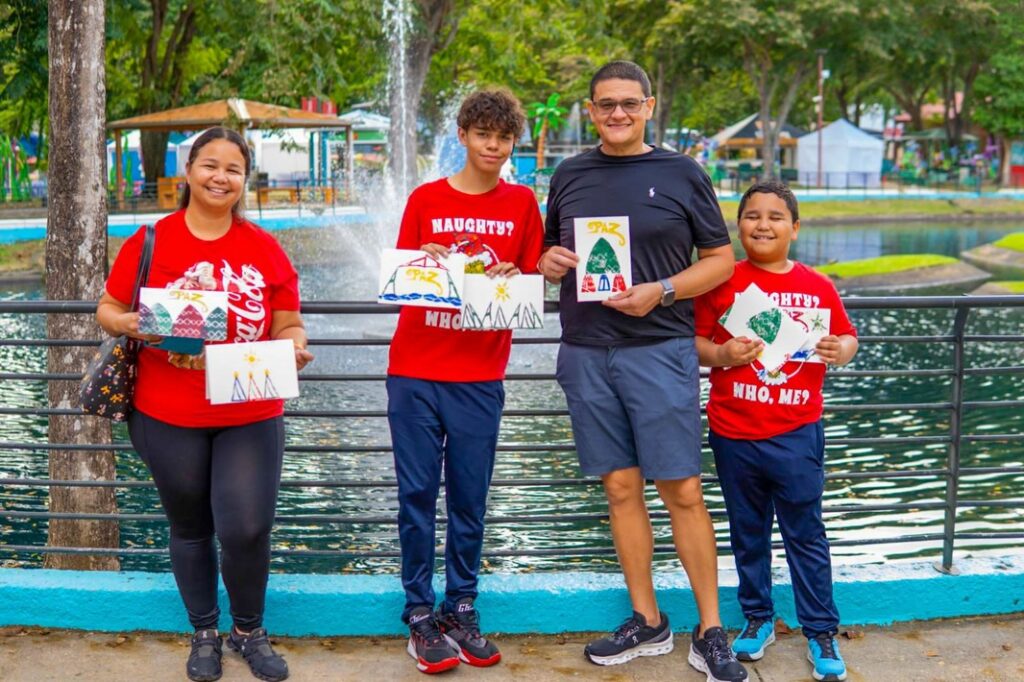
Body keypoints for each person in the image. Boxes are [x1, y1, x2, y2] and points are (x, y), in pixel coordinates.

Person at [537, 60, 747, 682]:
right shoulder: (569, 175)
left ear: (649, 105)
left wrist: (662, 289)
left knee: (681, 489)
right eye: (606, 105)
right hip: (586, 350)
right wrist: (549, 261)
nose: (618, 114)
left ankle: (711, 631)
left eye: (629, 103)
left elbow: (721, 262)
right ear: (591, 109)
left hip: (660, 350)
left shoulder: (682, 172)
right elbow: (552, 254)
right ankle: (647, 620)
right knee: (621, 489)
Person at [96, 127, 313, 682]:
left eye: (233, 169)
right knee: (190, 526)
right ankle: (205, 632)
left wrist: (293, 346)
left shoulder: (264, 247)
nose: (221, 177)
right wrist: (132, 325)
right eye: (210, 165)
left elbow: (288, 320)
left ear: (244, 180)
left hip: (250, 408)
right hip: (168, 411)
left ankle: (249, 630)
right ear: (188, 172)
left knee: (246, 527)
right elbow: (110, 307)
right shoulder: (151, 239)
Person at [386, 89, 543, 674]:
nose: (493, 146)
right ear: (463, 134)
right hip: (415, 371)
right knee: (417, 495)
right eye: (483, 135)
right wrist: (424, 258)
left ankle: (462, 605)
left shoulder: (524, 204)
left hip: (480, 373)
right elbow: (399, 279)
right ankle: (420, 612)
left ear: (511, 144)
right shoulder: (425, 199)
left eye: (502, 138)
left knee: (470, 499)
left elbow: (531, 284)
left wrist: (513, 273)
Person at [694, 179, 858, 682]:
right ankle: (759, 618)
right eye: (752, 215)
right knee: (747, 533)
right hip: (733, 430)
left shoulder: (817, 285)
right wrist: (721, 354)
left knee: (805, 532)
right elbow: (695, 339)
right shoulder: (722, 280)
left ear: (794, 228)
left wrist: (841, 350)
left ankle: (820, 630)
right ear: (737, 224)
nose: (763, 224)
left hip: (796, 431)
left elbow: (847, 335)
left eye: (775, 217)